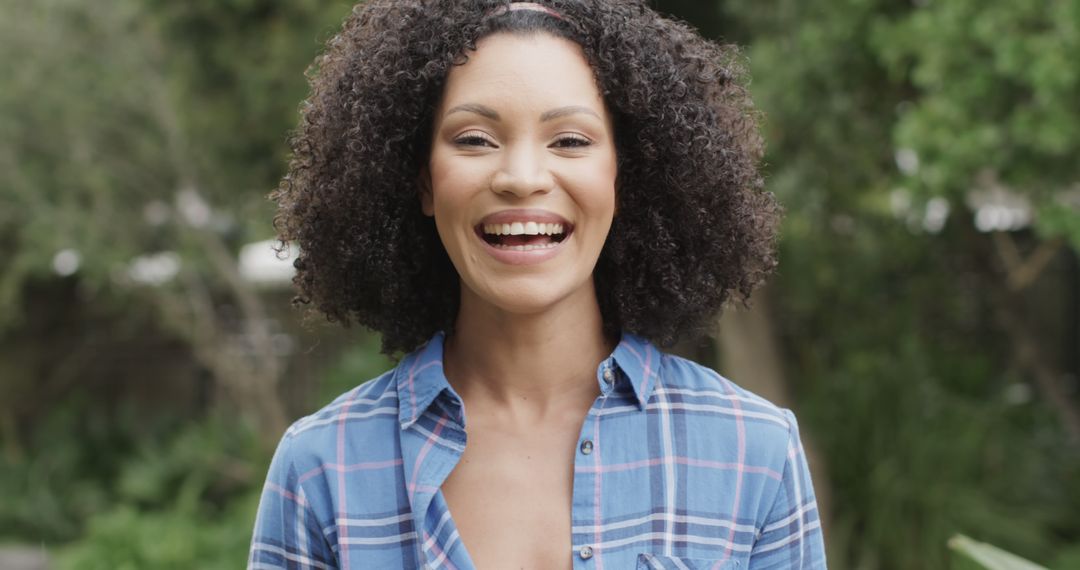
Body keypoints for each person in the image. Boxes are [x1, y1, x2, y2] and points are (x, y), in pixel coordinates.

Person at [249, 1, 826, 568]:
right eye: (475, 138)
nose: (522, 179)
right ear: (423, 182)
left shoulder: (755, 453)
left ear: (626, 176)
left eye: (570, 140)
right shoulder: (320, 469)